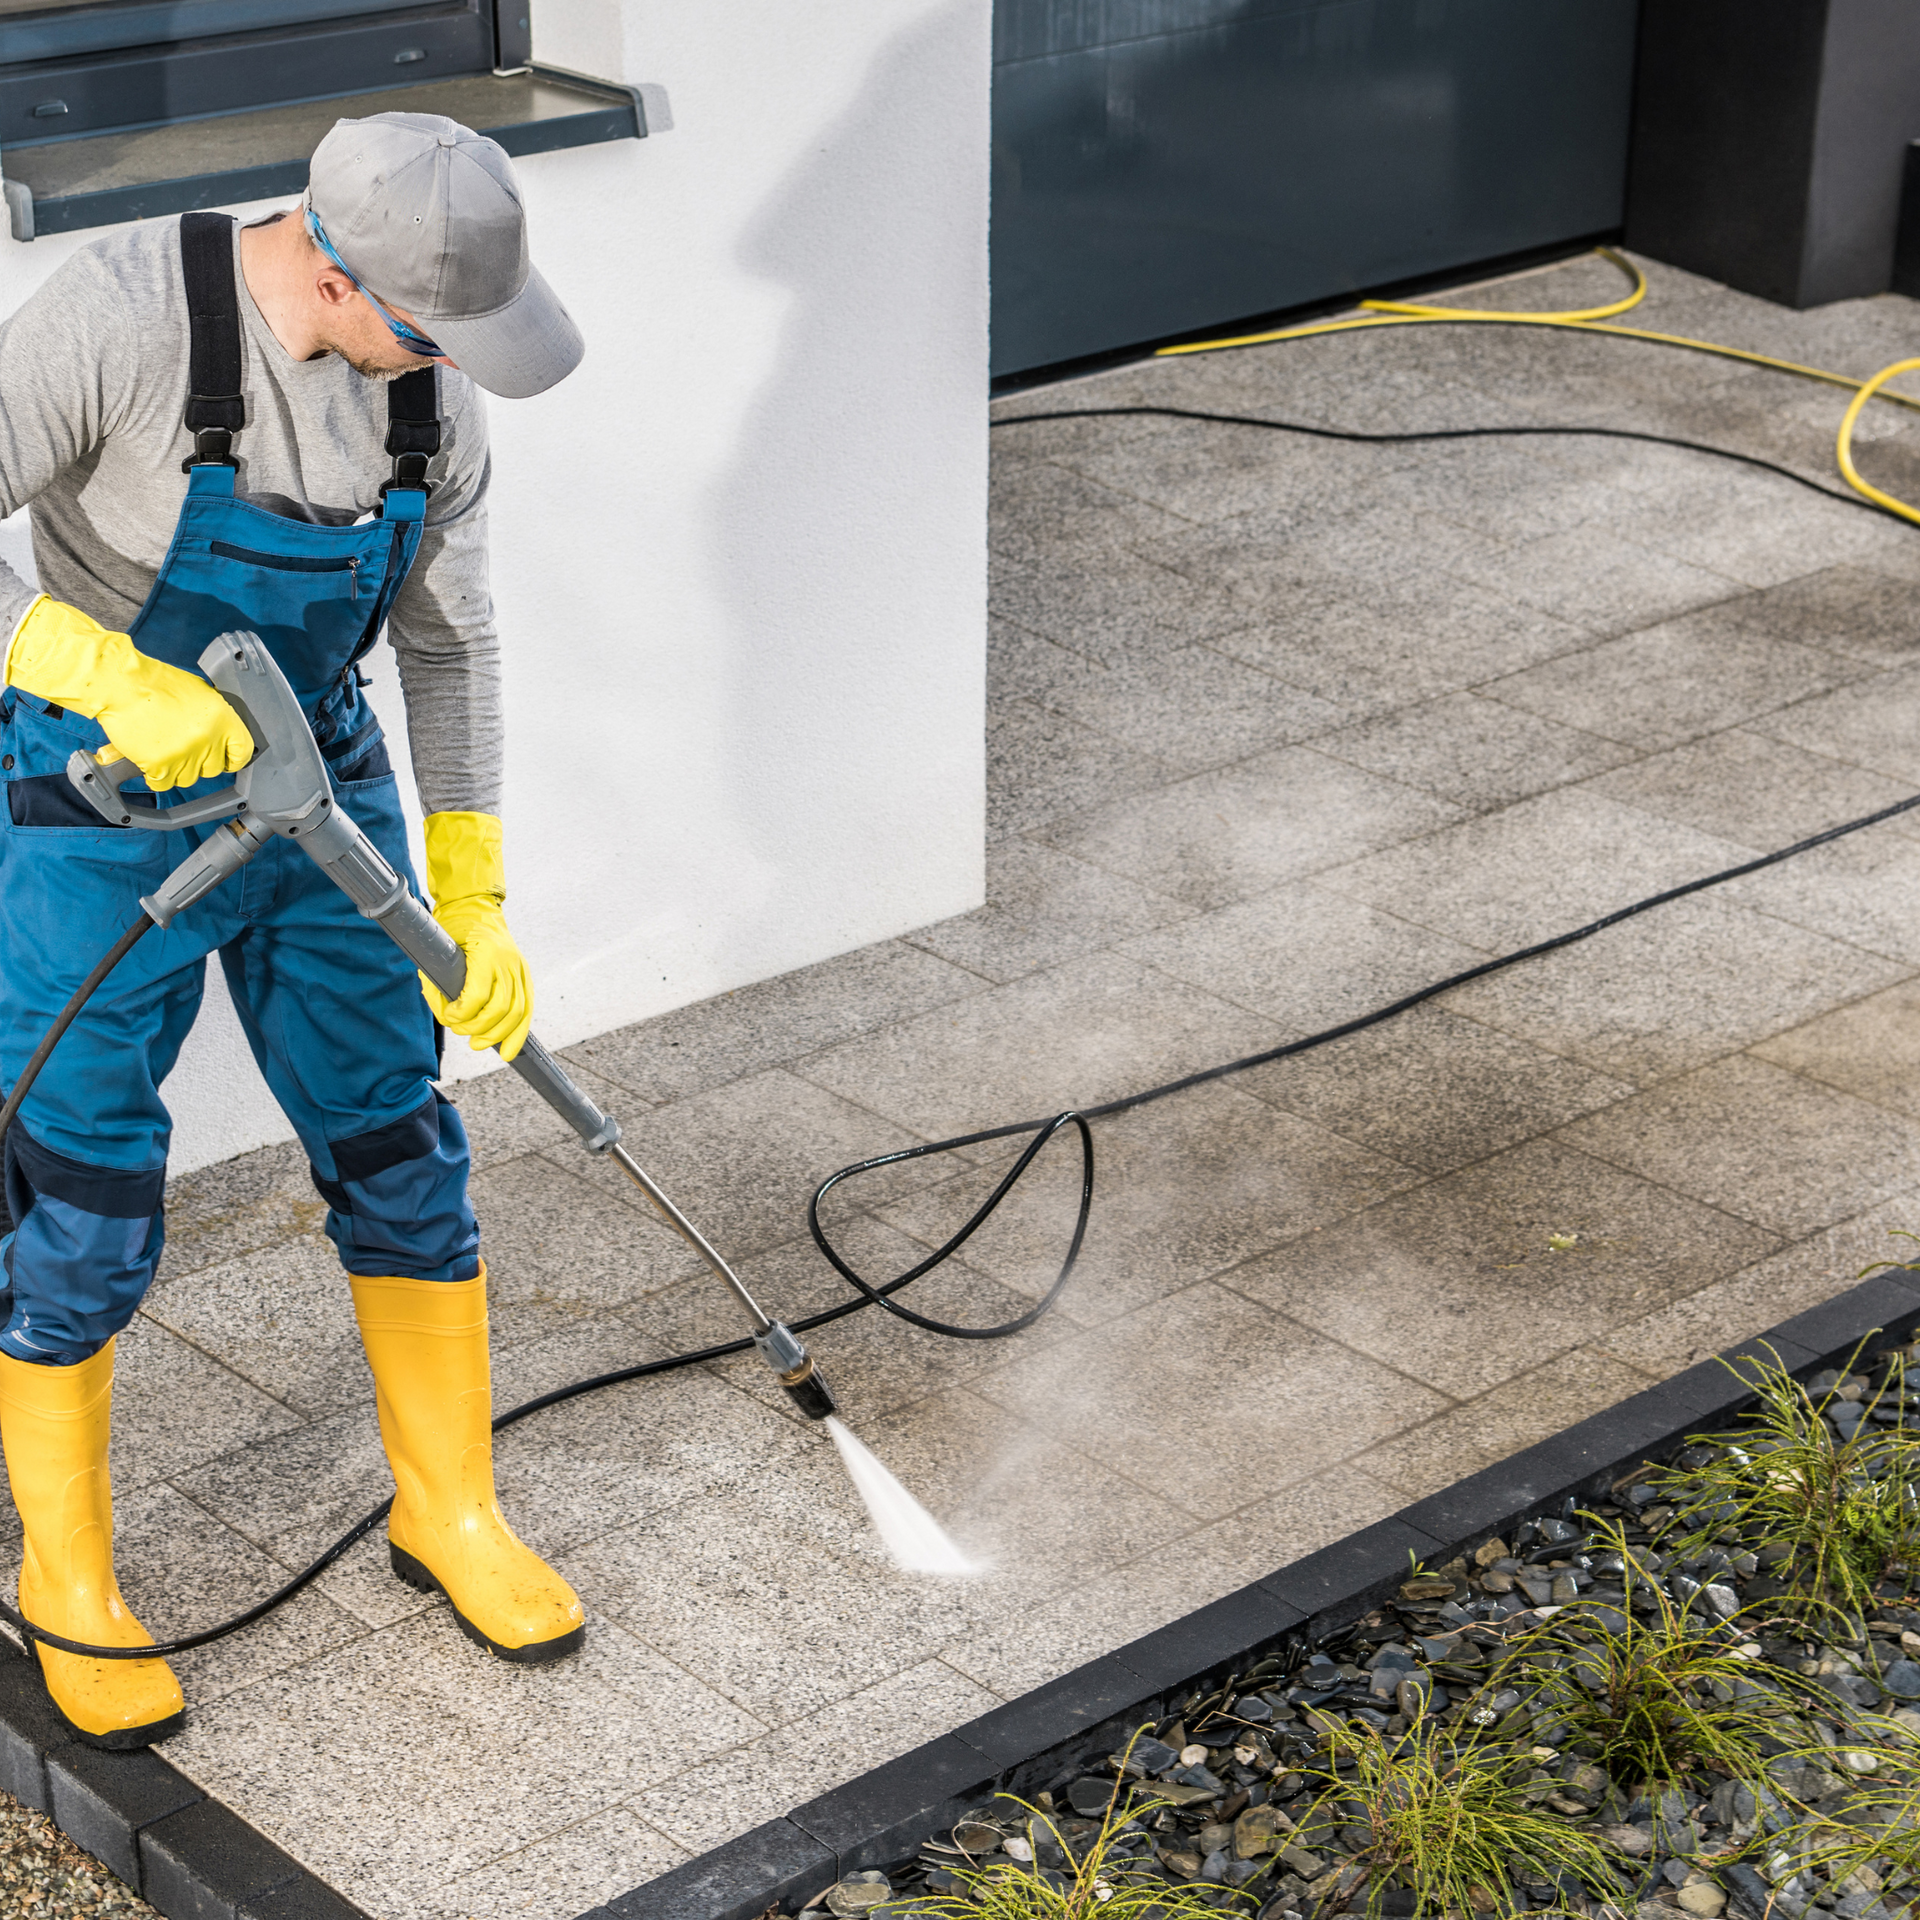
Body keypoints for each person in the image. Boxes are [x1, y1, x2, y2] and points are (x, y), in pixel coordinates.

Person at [0, 111, 587, 1749]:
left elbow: (452, 644)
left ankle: (446, 1513)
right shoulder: (117, 320)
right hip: (101, 799)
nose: (445, 369)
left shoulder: (433, 391)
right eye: (425, 331)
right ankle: (68, 1583)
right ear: (331, 271)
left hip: (321, 777)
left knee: (398, 1136)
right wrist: (98, 672)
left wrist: (467, 880)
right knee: (82, 1191)